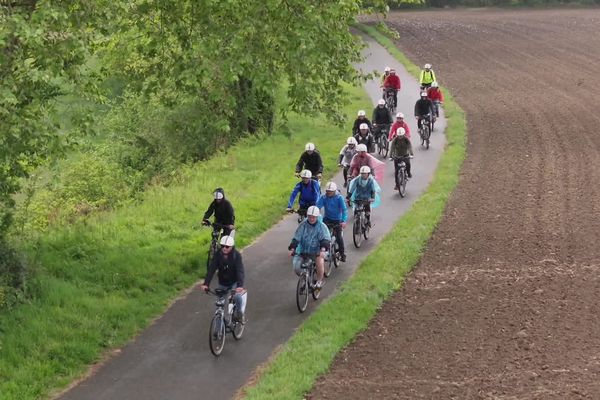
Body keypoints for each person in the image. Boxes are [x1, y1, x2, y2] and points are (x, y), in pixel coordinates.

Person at [200, 235, 247, 323]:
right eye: (222, 246)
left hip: (234, 281)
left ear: (231, 247)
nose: (224, 248)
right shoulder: (218, 255)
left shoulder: (236, 255)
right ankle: (219, 330)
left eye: (227, 247)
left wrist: (240, 285)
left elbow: (240, 271)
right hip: (223, 282)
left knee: (237, 296)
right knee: (220, 304)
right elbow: (212, 269)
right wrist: (206, 283)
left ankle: (239, 313)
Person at [288, 206, 331, 290]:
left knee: (319, 261)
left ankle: (319, 281)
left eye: (314, 217)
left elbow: (325, 239)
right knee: (296, 267)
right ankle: (305, 278)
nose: (311, 219)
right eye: (310, 216)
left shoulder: (322, 227)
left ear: (317, 217)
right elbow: (296, 237)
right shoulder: (302, 225)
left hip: (317, 251)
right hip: (303, 250)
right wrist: (292, 248)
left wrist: (322, 250)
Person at [316, 182, 348, 262]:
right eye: (327, 191)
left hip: (338, 220)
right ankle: (321, 251)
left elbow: (344, 210)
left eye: (330, 191)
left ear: (334, 191)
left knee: (339, 237)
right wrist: (318, 218)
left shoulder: (339, 198)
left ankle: (342, 253)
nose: (328, 193)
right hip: (327, 219)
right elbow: (317, 207)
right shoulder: (324, 197)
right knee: (321, 235)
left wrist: (343, 221)